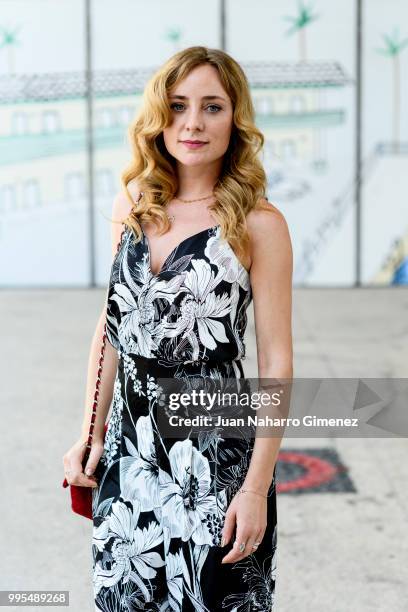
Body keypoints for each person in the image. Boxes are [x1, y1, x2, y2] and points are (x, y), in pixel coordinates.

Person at [63, 45, 293, 611]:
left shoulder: (258, 224)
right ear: (157, 116)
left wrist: (255, 488)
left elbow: (279, 365)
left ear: (235, 119)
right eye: (178, 105)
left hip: (217, 460)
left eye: (212, 107)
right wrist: (90, 434)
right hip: (130, 449)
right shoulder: (133, 204)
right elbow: (112, 326)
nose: (192, 123)